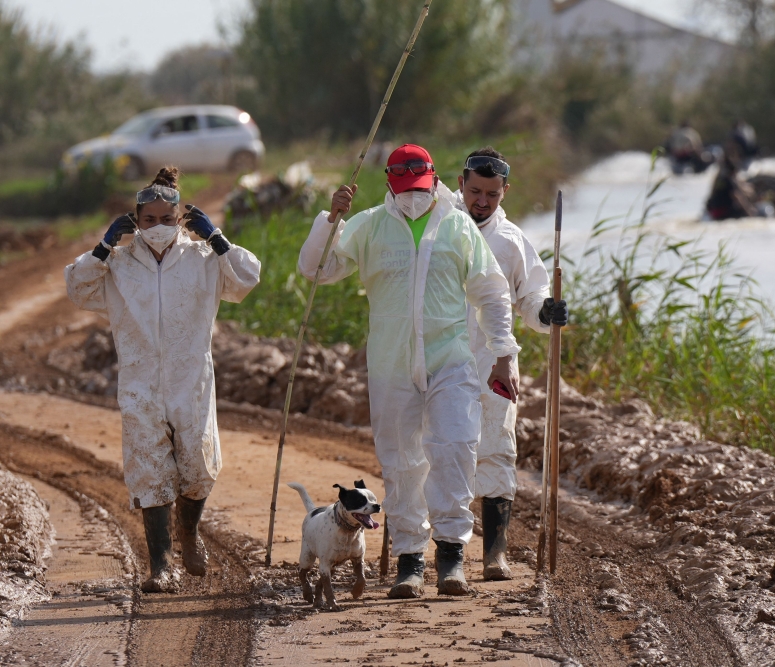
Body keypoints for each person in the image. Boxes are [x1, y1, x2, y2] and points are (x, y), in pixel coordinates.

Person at [297, 144, 519, 598]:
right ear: (389, 185)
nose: (413, 197)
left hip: (451, 359)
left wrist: (503, 352)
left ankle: (451, 556)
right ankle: (410, 561)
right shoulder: (370, 225)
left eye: (421, 188)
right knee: (401, 461)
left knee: (456, 447)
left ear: (435, 180)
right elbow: (315, 269)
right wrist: (331, 220)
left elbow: (492, 291)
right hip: (391, 364)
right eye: (404, 189)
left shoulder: (457, 225)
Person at [65, 167, 261, 593]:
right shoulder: (119, 265)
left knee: (198, 466)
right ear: (135, 222)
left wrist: (217, 238)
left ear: (181, 220)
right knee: (149, 471)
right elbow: (77, 289)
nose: (157, 228)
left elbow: (247, 277)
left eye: (166, 219)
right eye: (148, 220)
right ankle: (161, 565)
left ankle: (189, 533)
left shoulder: (202, 260)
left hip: (190, 380)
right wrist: (102, 246)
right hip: (139, 382)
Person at [445, 147, 567, 581]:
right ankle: (436, 555)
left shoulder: (512, 240)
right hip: (438, 362)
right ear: (461, 183)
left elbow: (530, 298)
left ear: (504, 191)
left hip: (495, 364)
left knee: (496, 450)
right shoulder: (437, 226)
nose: (482, 201)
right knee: (436, 454)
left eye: (492, 194)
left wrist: (545, 311)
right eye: (475, 190)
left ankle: (495, 553)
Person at [705, 152, 758, 221]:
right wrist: (749, 211)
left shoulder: (719, 180)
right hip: (723, 213)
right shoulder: (730, 180)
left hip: (713, 213)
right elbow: (737, 196)